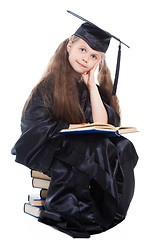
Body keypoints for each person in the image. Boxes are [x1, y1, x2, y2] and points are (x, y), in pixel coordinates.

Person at [11, 11, 138, 238]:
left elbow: (101, 124)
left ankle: (113, 210)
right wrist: (66, 129)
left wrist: (91, 87)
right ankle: (76, 214)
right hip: (46, 144)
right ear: (69, 46)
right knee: (95, 148)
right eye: (83, 50)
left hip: (77, 143)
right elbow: (33, 125)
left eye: (94, 56)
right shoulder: (50, 85)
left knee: (123, 147)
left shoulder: (88, 86)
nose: (86, 59)